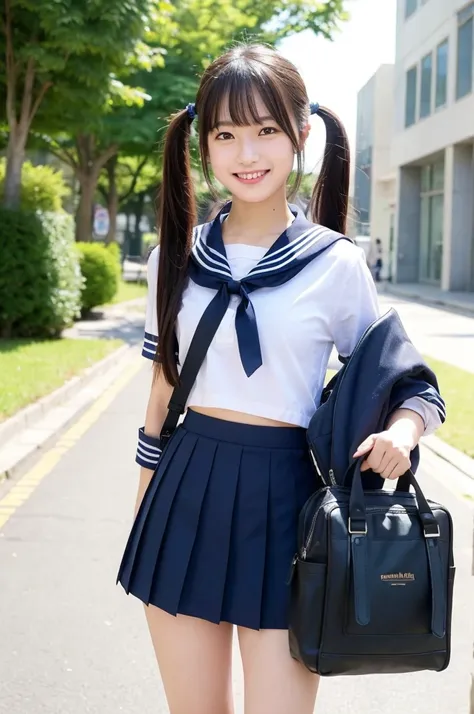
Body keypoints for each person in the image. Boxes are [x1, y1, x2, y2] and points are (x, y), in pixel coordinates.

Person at [117, 43, 445, 714]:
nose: (247, 153)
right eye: (227, 134)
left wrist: (403, 434)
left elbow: (409, 383)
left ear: (300, 135)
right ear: (203, 143)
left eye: (265, 130)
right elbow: (160, 393)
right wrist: (143, 507)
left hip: (288, 504)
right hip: (183, 496)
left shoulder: (335, 264)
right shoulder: (174, 259)